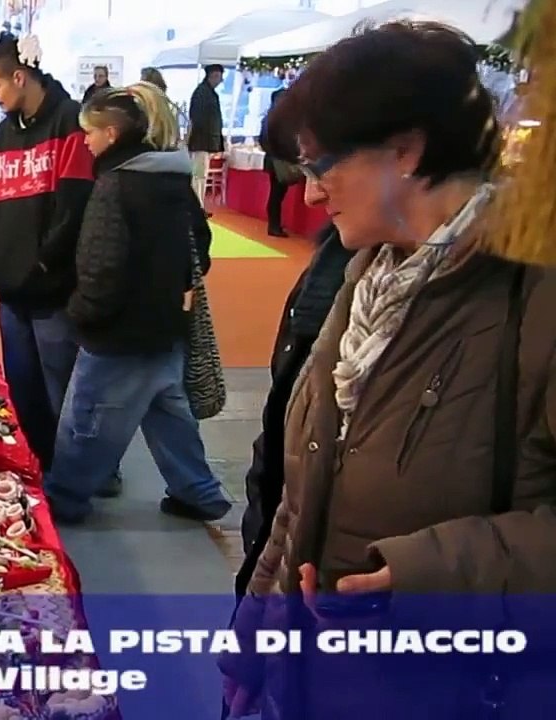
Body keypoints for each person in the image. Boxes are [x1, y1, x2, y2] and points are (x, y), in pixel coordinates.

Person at [222, 21, 556, 718]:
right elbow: (299, 493)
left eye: (322, 166)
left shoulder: (534, 298)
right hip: (318, 679)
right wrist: (251, 645)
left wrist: (431, 573)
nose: (310, 194)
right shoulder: (364, 276)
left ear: (404, 150)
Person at [44, 82, 230, 525]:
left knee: (84, 422)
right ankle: (199, 492)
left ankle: (64, 501)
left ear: (111, 134)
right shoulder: (173, 179)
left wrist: (82, 314)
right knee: (171, 419)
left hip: (118, 335)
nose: (85, 141)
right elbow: (199, 248)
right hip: (165, 324)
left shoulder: (114, 186)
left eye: (90, 132)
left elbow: (100, 266)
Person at [0, 34, 94, 473]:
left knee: (62, 388)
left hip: (51, 292)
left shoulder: (69, 122)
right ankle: (39, 465)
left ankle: (77, 476)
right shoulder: (3, 133)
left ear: (20, 77)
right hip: (10, 290)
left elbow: (74, 205)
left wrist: (46, 261)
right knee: (23, 387)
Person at [234, 221, 353, 598]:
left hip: (345, 588)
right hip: (285, 543)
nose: (313, 192)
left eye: (325, 166)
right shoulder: (338, 261)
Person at [259, 87, 297, 237]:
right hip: (279, 161)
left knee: (276, 194)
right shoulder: (279, 120)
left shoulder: (269, 118)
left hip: (274, 160)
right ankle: (274, 225)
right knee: (277, 195)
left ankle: (274, 224)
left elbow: (263, 140)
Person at [187, 64, 225, 213]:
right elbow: (200, 120)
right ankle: (197, 207)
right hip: (201, 142)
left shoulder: (205, 92)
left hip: (202, 141)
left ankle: (199, 206)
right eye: (220, 77)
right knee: (199, 176)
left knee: (200, 175)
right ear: (213, 75)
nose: (221, 80)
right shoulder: (203, 94)